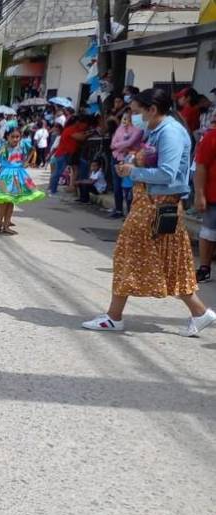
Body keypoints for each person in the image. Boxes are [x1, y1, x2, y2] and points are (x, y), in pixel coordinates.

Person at [83, 89, 216, 337]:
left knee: (129, 253)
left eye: (137, 111)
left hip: (157, 203)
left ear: (152, 109)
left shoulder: (170, 133)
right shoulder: (159, 130)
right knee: (165, 260)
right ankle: (199, 313)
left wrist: (132, 171)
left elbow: (167, 173)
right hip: (154, 201)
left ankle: (114, 317)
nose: (135, 117)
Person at [0, 128, 46, 234]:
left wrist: (27, 161)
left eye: (17, 137)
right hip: (3, 175)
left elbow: (33, 149)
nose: (15, 139)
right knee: (2, 200)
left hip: (17, 175)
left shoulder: (23, 146)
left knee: (11, 201)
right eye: (13, 137)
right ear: (8, 137)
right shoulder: (2, 147)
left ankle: (6, 226)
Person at [193, 114, 216, 283]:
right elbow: (201, 167)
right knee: (208, 232)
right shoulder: (210, 137)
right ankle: (204, 268)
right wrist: (200, 194)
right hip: (213, 195)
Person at [110, 110, 144, 217]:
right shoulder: (119, 128)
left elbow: (130, 142)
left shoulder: (138, 130)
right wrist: (121, 146)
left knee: (128, 187)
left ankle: (129, 213)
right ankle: (118, 210)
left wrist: (118, 146)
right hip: (116, 157)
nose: (126, 119)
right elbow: (112, 144)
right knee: (117, 185)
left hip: (128, 159)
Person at [48, 114, 89, 196]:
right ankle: (52, 190)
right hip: (63, 154)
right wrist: (88, 134)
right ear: (76, 122)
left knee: (82, 165)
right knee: (57, 172)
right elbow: (81, 138)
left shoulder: (71, 129)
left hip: (68, 154)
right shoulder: (70, 130)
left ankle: (75, 188)